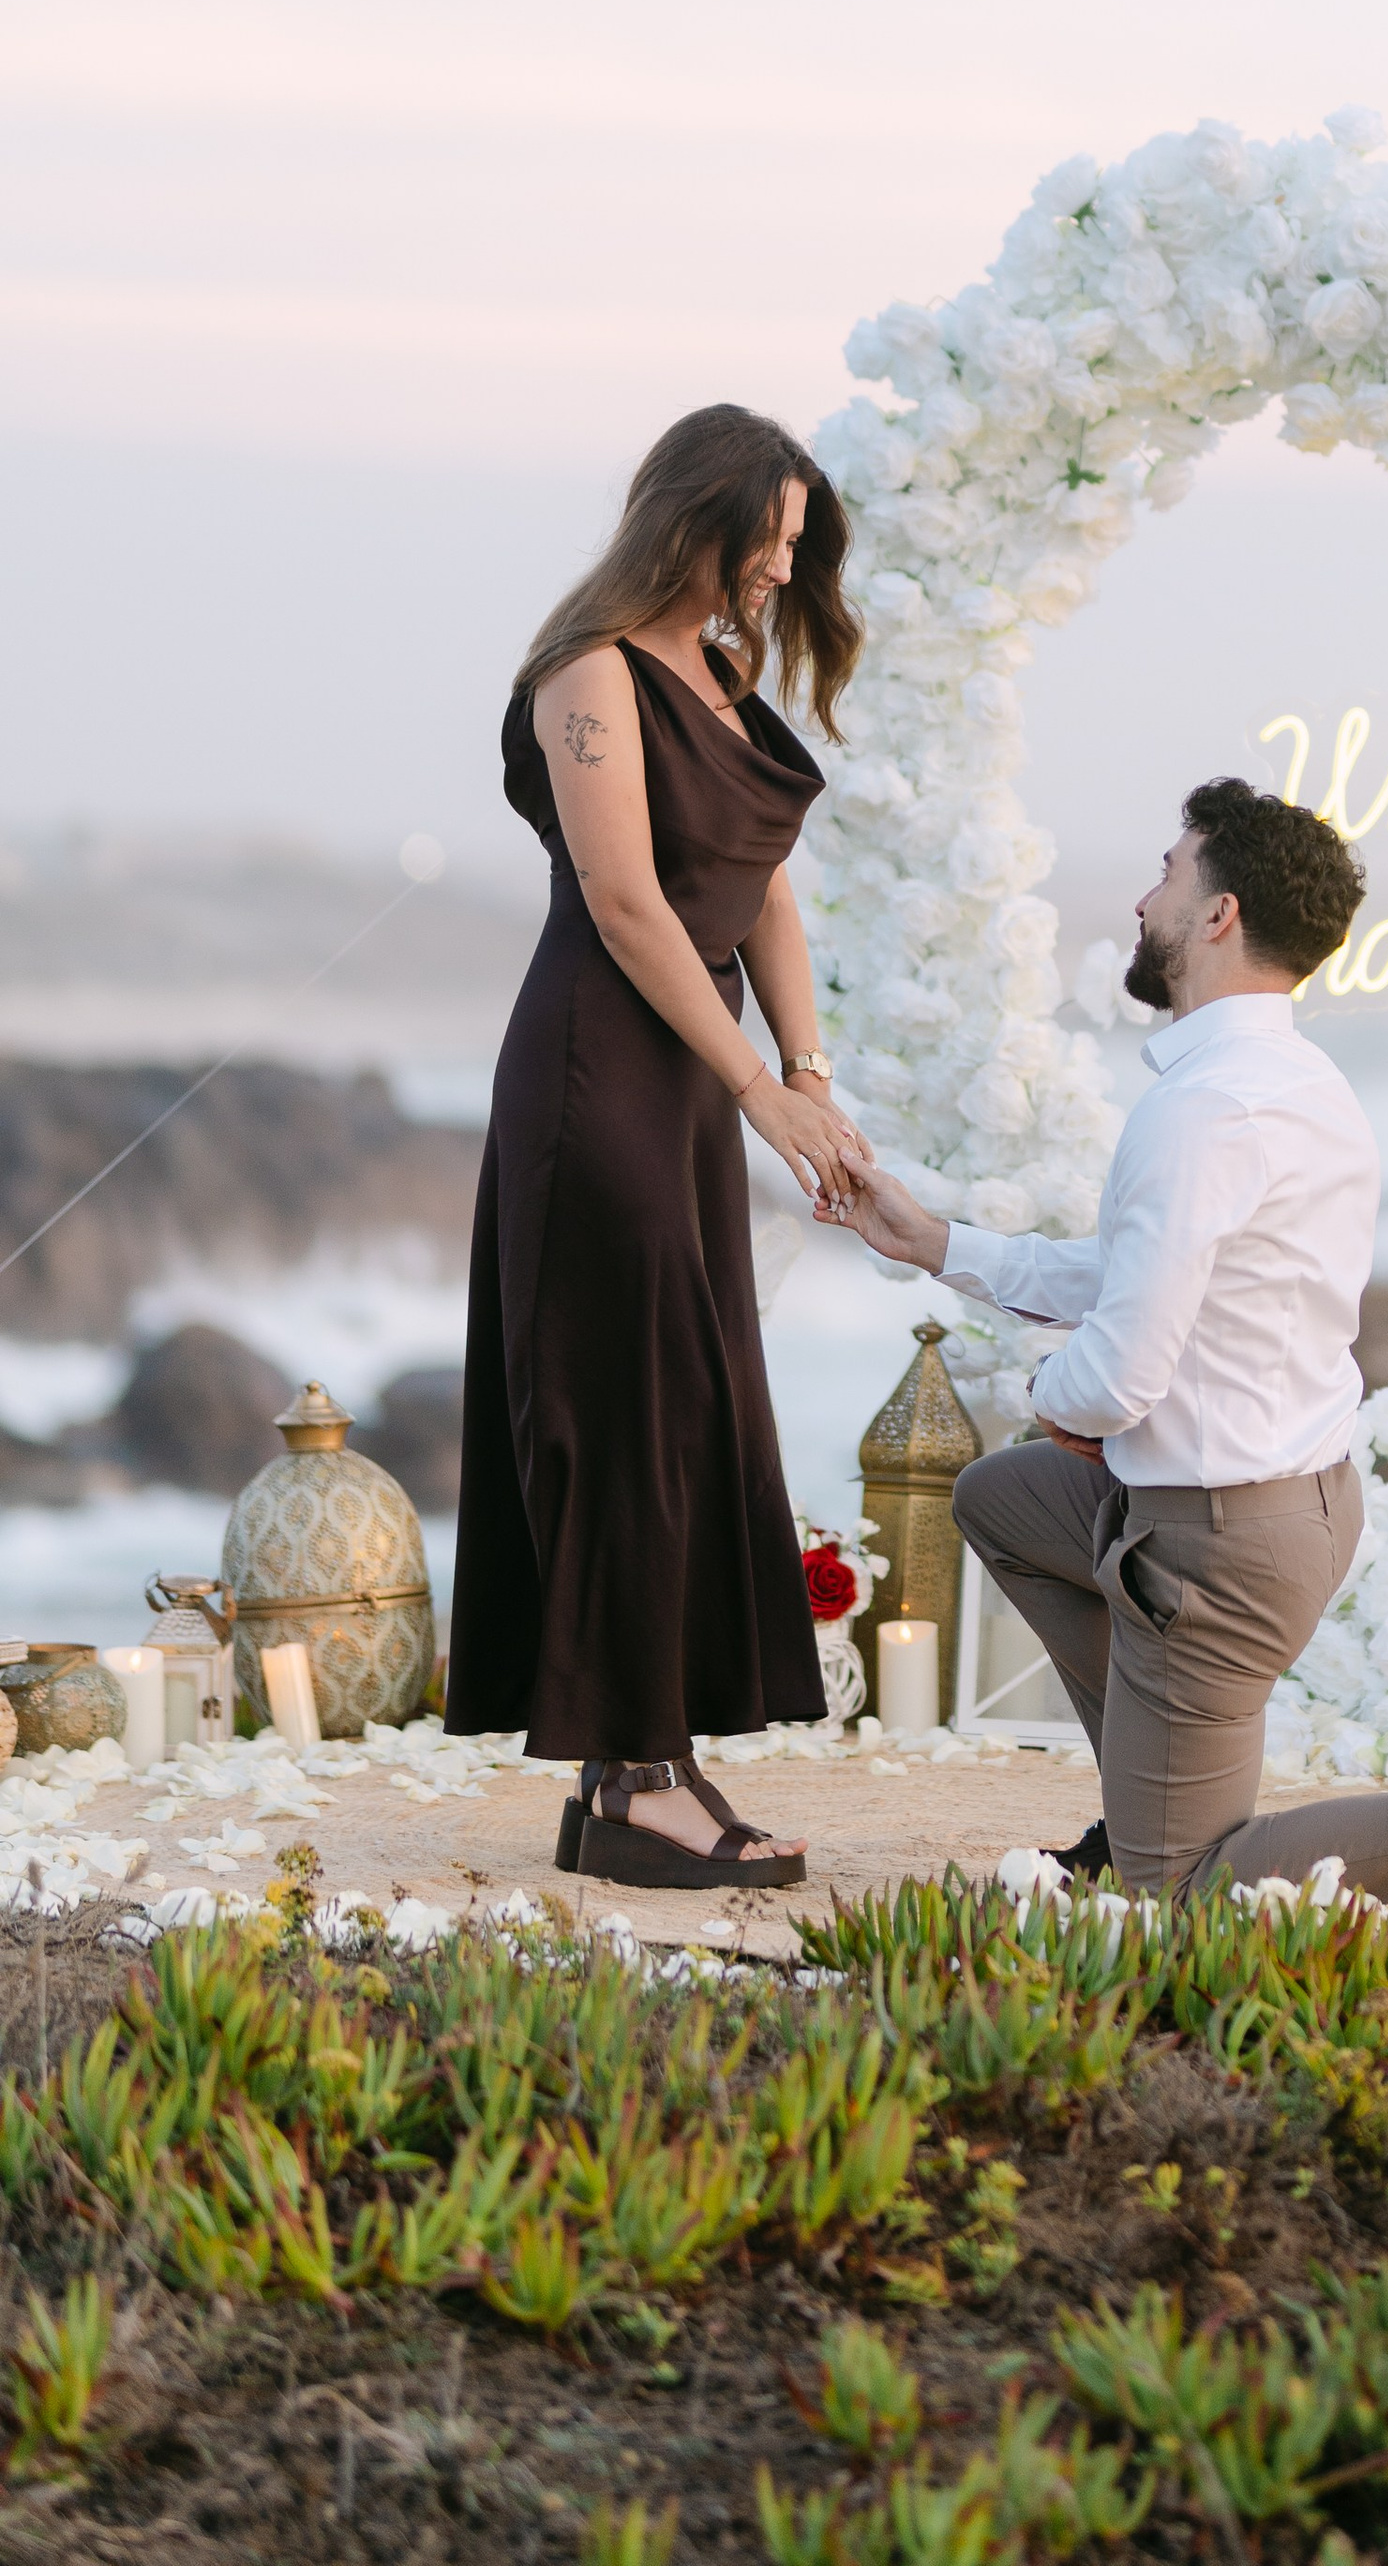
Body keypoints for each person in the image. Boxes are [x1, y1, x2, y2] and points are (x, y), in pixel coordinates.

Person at [840, 778, 1388, 1953]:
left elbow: (1115, 1378)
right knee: (1000, 1497)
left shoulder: (1203, 1109)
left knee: (1180, 1899)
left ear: (1217, 915)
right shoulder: (1291, 1083)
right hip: (1285, 1503)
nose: (1144, 894)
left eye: (1168, 870)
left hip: (1219, 1545)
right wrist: (931, 1242)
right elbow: (1129, 1273)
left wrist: (1060, 1401)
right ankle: (1146, 1802)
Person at [446, 403, 875, 1890]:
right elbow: (627, 903)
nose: (781, 561)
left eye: (798, 540)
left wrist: (808, 1073)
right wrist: (761, 1092)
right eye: (771, 532)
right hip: (598, 1068)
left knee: (683, 1403)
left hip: (693, 1076)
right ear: (697, 515)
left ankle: (661, 1760)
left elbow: (763, 894)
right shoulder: (590, 675)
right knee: (613, 1407)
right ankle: (626, 1786)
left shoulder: (725, 672)